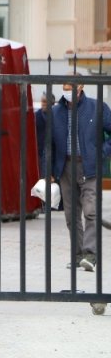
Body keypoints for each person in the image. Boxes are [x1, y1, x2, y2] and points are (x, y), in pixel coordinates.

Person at [47, 80, 111, 272]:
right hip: (65, 167)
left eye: (70, 88)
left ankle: (90, 255)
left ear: (81, 86)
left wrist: (100, 153)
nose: (66, 92)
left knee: (90, 210)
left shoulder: (96, 107)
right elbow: (48, 145)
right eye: (64, 88)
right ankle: (78, 255)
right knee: (70, 215)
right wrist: (49, 171)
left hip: (89, 166)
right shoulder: (56, 112)